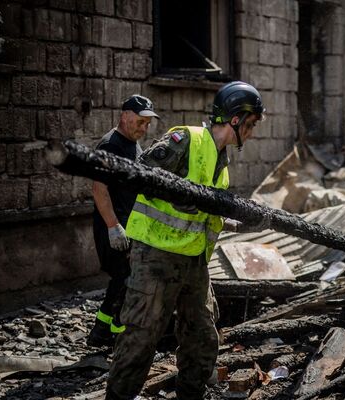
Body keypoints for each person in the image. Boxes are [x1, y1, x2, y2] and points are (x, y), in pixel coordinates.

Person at [106, 81, 266, 400]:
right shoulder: (187, 140)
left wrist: (235, 220)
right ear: (235, 119)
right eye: (250, 124)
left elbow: (206, 214)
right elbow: (141, 174)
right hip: (156, 257)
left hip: (193, 263)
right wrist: (180, 197)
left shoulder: (222, 165)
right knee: (141, 339)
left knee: (203, 338)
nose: (251, 131)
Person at [88, 95, 159, 347]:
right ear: (125, 116)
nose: (143, 128)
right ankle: (107, 330)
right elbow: (99, 188)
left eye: (147, 124)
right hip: (115, 227)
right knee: (124, 276)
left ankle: (107, 329)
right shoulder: (110, 145)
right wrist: (113, 226)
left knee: (125, 278)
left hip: (131, 225)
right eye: (140, 122)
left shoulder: (133, 145)